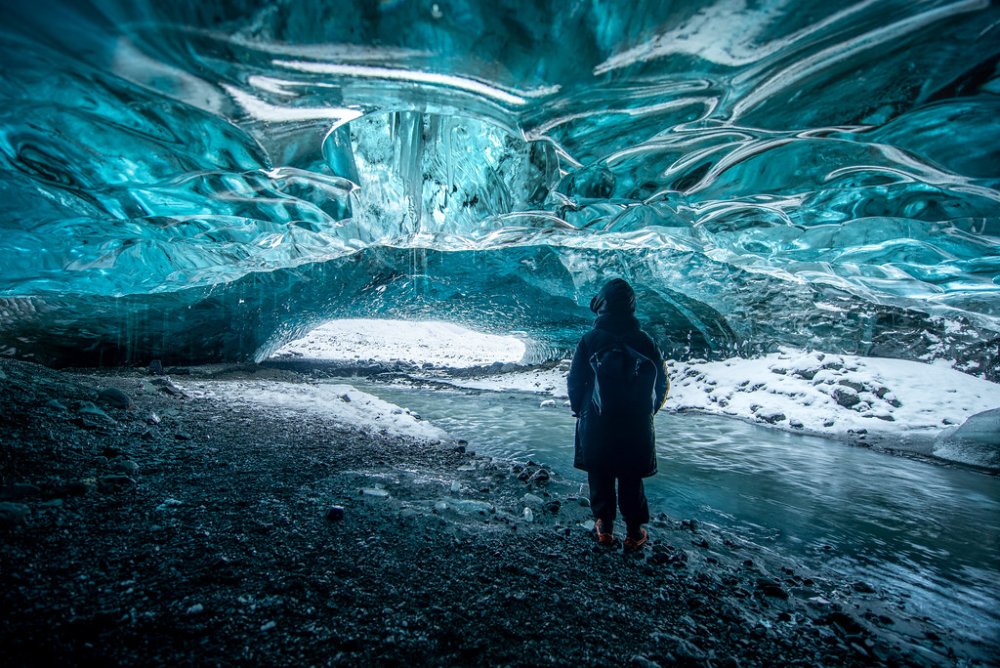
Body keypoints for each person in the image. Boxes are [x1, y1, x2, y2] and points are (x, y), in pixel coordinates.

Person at [567, 278, 669, 550]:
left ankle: (604, 528)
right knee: (630, 475)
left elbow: (575, 381)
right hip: (635, 423)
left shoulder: (590, 340)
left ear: (602, 306)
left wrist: (582, 410)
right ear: (630, 307)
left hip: (597, 420)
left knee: (600, 472)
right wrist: (648, 412)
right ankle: (635, 533)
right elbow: (662, 384)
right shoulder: (645, 341)